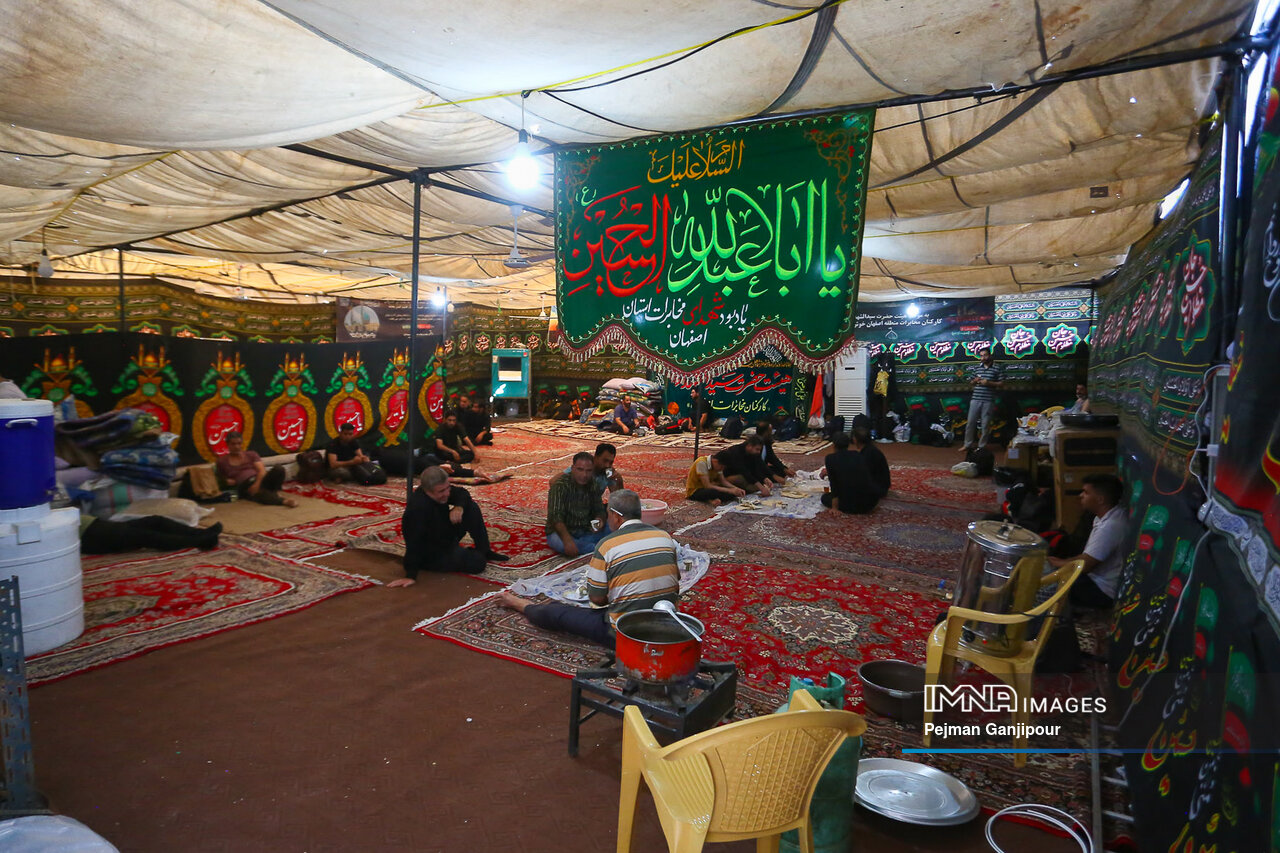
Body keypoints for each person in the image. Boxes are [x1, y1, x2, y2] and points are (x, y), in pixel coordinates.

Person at [498, 489, 680, 647]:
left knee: (559, 613)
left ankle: (521, 605)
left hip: (625, 633)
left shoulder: (607, 545)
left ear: (616, 516)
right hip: (666, 624)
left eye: (608, 514)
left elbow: (597, 599)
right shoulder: (664, 537)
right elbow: (675, 583)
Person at [387, 466, 510, 586]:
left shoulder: (442, 490)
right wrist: (410, 575)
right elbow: (413, 542)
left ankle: (484, 550)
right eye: (441, 491)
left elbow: (463, 493)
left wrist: (459, 507)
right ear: (427, 491)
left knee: (471, 507)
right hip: (433, 553)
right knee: (478, 563)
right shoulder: (418, 508)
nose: (447, 493)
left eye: (448, 488)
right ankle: (472, 554)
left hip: (444, 534)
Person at [1048, 473, 1126, 608]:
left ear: (1100, 499)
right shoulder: (1106, 515)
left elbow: (1086, 565)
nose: (1081, 496)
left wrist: (1057, 563)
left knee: (1049, 585)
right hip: (1094, 579)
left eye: (1086, 492)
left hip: (1102, 589)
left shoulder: (1110, 526)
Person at [546, 452, 608, 557]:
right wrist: (567, 540)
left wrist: (599, 520)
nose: (584, 475)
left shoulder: (593, 484)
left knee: (614, 526)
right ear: (572, 469)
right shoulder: (560, 486)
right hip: (564, 532)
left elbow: (599, 509)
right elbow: (556, 518)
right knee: (560, 543)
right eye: (580, 470)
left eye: (588, 471)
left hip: (586, 529)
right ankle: (599, 547)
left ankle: (592, 547)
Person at [216, 431, 297, 506]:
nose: (237, 447)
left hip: (260, 479)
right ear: (228, 444)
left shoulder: (251, 454)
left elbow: (261, 470)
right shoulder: (222, 461)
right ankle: (283, 501)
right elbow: (220, 478)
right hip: (245, 486)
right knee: (260, 495)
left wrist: (257, 484)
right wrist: (227, 481)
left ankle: (273, 492)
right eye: (233, 444)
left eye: (239, 443)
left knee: (279, 469)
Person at [81, 515, 222, 554]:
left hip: (93, 524)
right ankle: (199, 541)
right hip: (88, 536)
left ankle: (201, 533)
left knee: (155, 521)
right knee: (145, 536)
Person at [821, 431, 878, 514]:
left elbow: (834, 484)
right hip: (870, 503)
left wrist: (835, 507)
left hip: (851, 505)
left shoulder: (830, 458)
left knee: (824, 498)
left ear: (834, 445)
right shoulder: (857, 454)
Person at [963, 349, 1004, 452]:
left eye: (985, 355)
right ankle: (967, 444)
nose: (983, 358)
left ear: (990, 356)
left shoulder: (997, 368)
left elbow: (1001, 384)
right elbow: (971, 382)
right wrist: (974, 381)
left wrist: (989, 383)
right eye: (981, 356)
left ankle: (981, 447)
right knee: (970, 423)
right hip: (975, 399)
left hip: (988, 401)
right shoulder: (977, 368)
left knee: (985, 425)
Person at [851, 426, 891, 497]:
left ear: (856, 439)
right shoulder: (871, 450)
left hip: (876, 490)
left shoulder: (867, 454)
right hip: (881, 486)